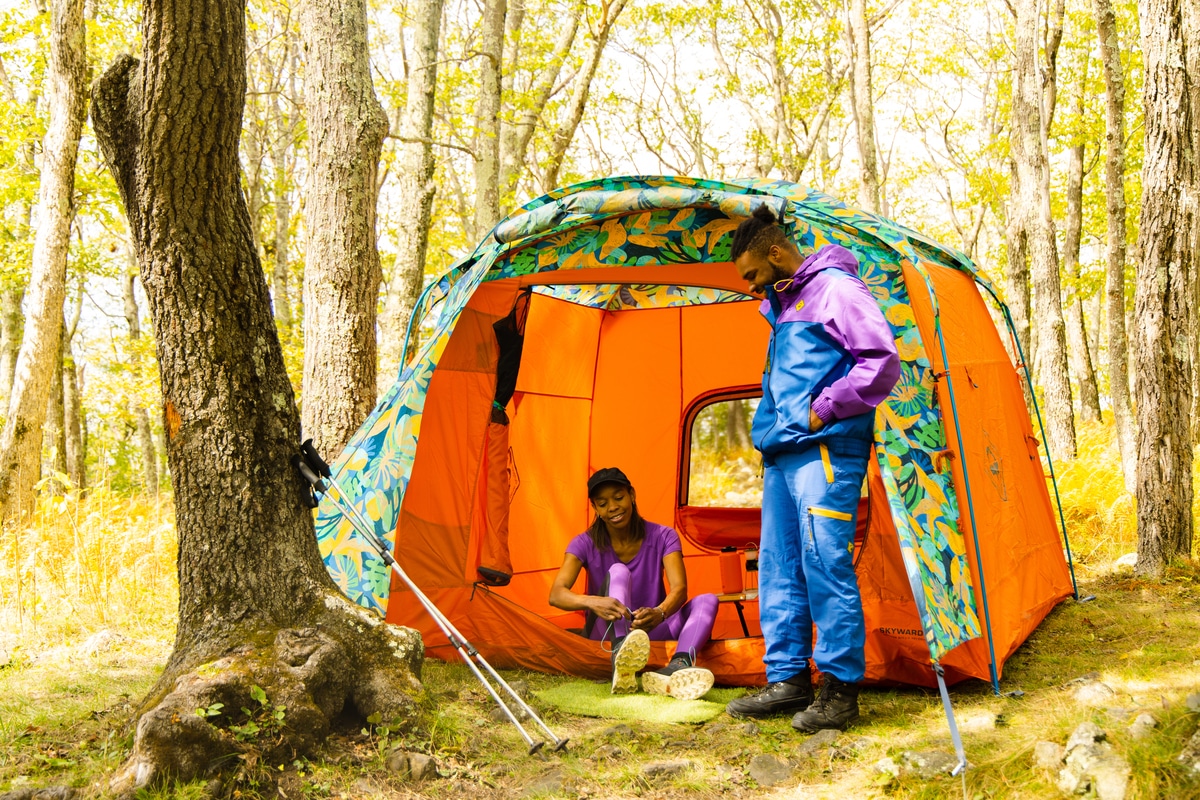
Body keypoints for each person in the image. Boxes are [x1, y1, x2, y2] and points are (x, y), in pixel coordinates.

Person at [724, 206, 900, 732]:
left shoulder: (836, 290)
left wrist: (823, 407)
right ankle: (787, 680)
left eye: (753, 274)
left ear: (776, 253)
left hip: (826, 451)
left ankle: (840, 691)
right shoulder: (783, 305)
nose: (753, 288)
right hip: (783, 456)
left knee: (825, 564)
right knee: (779, 567)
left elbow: (880, 361)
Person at [549, 467, 720, 701]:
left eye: (618, 498)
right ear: (596, 509)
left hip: (650, 628)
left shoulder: (664, 536)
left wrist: (660, 613)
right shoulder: (583, 542)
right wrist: (593, 602)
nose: (612, 507)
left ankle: (677, 667)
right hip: (606, 632)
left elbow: (679, 589)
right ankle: (620, 657)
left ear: (632, 495)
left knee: (708, 600)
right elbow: (556, 594)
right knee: (619, 571)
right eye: (602, 503)